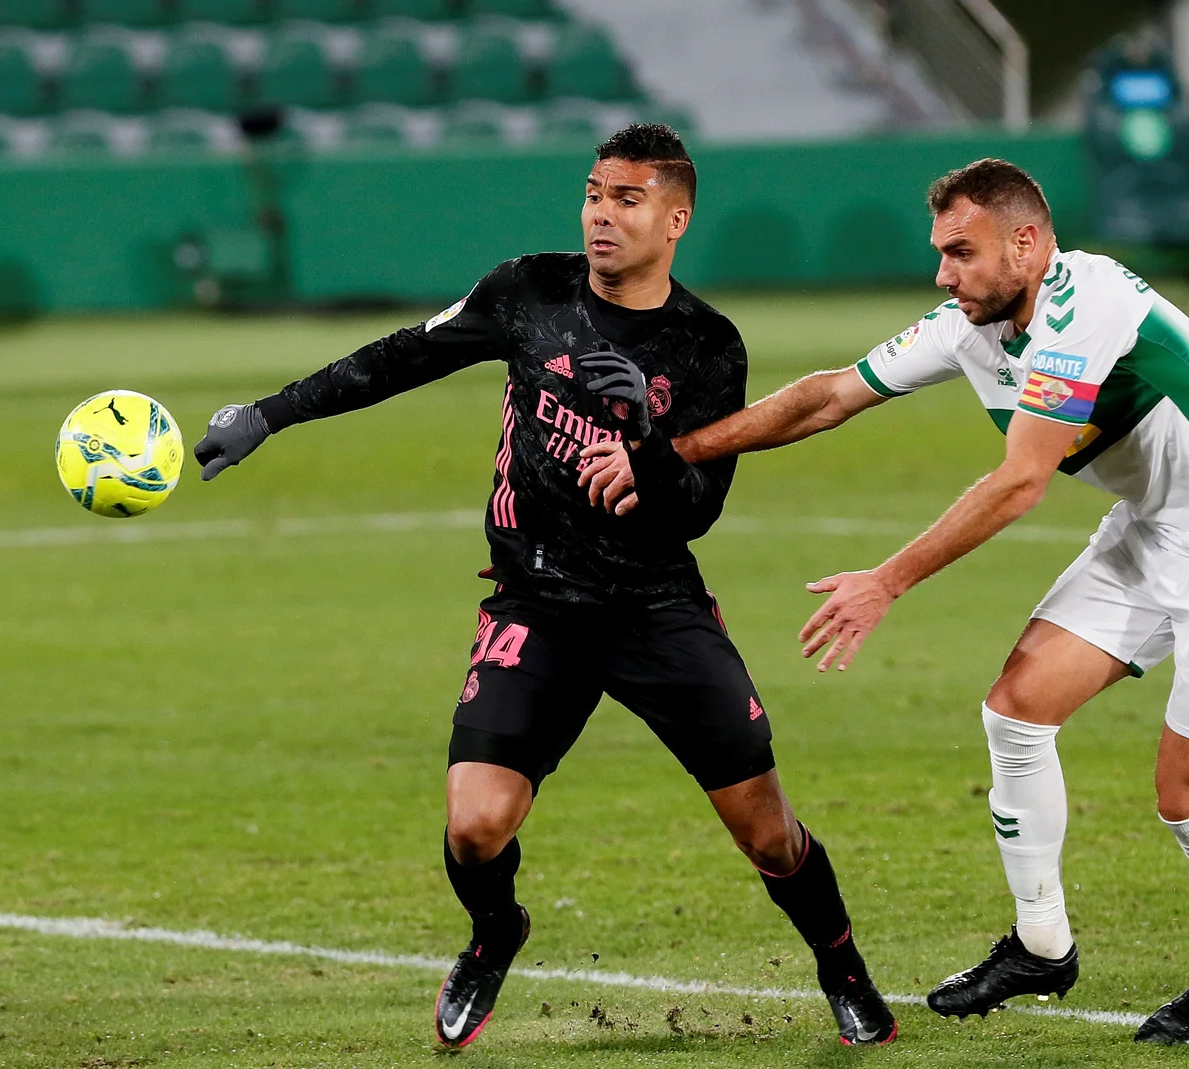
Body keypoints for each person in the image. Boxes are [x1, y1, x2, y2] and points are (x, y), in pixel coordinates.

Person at [190, 124, 897, 1050]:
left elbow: (694, 513)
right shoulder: (528, 290)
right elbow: (402, 355)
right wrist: (269, 415)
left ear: (676, 217)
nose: (603, 215)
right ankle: (495, 933)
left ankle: (841, 965)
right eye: (595, 193)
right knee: (477, 824)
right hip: (535, 604)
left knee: (768, 835)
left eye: (628, 199)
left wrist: (642, 427)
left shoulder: (706, 345)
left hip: (655, 609)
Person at [581, 158, 1189, 1045]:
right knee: (1016, 709)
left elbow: (1019, 482)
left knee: (1187, 795)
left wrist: (884, 581)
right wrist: (675, 452)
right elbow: (830, 397)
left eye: (960, 252)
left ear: (1028, 243)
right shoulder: (972, 322)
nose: (943, 273)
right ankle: (1043, 942)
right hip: (1154, 529)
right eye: (939, 253)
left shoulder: (1087, 306)